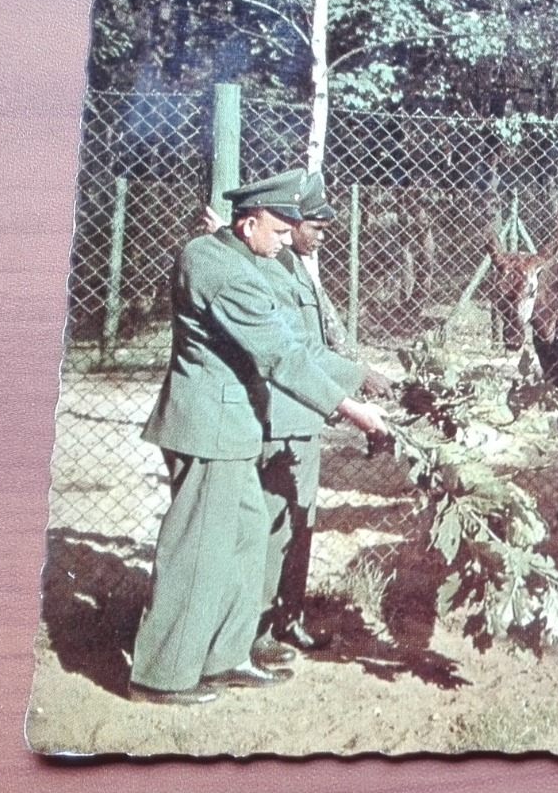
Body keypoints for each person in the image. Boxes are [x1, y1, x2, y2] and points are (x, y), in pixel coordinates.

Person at [129, 171, 389, 706]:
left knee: (245, 544)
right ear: (249, 225)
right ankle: (161, 675)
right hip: (210, 429)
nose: (290, 235)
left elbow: (299, 346)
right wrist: (353, 411)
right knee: (200, 551)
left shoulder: (245, 259)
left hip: (233, 428)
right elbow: (282, 356)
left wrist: (362, 378)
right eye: (281, 225)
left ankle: (224, 656)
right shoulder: (219, 266)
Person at [248, 171, 395, 660]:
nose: (319, 235)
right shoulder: (273, 266)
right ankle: (259, 632)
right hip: (283, 415)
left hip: (304, 416)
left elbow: (317, 340)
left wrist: (360, 375)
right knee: (276, 528)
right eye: (313, 225)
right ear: (289, 220)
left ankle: (287, 619)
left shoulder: (293, 263)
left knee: (299, 524)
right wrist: (358, 381)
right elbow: (298, 350)